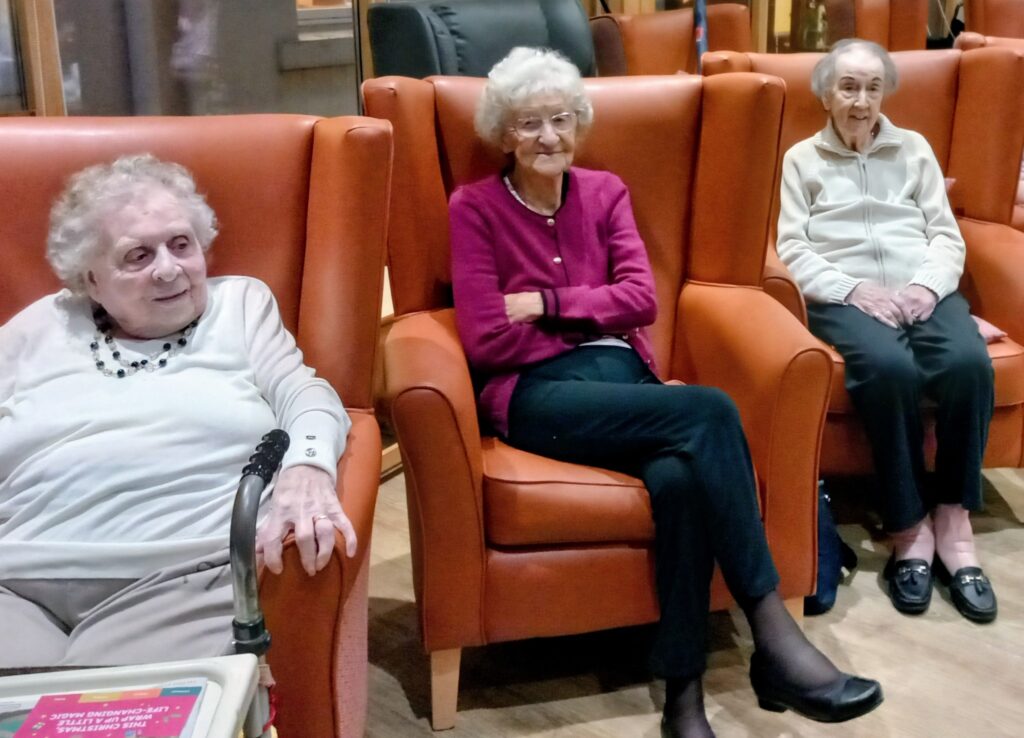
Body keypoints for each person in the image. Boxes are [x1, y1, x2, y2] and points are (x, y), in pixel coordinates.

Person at [450, 47, 883, 738]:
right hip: (537, 399)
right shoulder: (473, 209)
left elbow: (641, 299)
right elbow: (485, 342)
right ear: (504, 132)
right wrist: (590, 315)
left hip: (626, 386)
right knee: (709, 409)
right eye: (528, 123)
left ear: (578, 123)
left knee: (681, 483)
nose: (547, 137)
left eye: (560, 119)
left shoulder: (605, 193)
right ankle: (771, 635)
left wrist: (544, 304)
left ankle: (683, 698)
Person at [0, 154, 357, 668]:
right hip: (14, 579)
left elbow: (308, 395)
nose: (168, 269)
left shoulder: (238, 307)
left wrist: (307, 468)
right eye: (138, 255)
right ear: (91, 278)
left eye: (181, 244)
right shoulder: (42, 325)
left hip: (179, 577)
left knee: (119, 714)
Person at [777, 39, 999, 623]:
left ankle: (953, 516)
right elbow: (789, 247)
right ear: (826, 92)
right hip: (844, 293)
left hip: (920, 285)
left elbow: (946, 234)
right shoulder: (801, 159)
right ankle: (907, 525)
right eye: (848, 86)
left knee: (967, 365)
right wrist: (854, 290)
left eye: (873, 87)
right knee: (890, 370)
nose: (861, 100)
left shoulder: (914, 149)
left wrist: (928, 285)